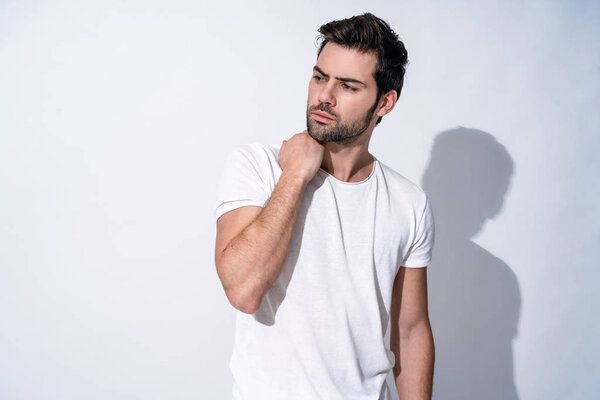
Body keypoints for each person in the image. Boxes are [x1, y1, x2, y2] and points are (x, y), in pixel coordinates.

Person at [214, 12, 435, 400]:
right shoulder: (261, 166)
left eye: (348, 86)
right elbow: (244, 290)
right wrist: (296, 176)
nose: (324, 96)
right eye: (320, 77)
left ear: (385, 102)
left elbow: (410, 330)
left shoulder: (408, 203)